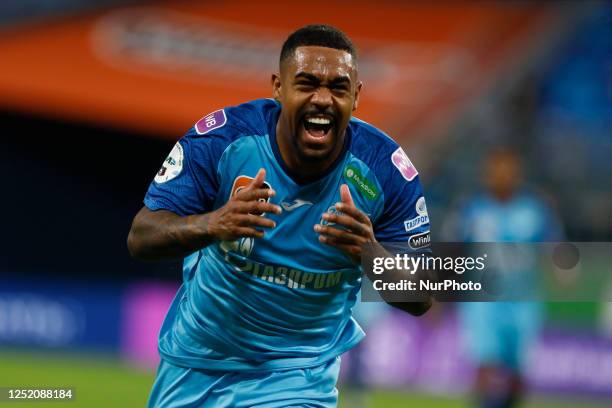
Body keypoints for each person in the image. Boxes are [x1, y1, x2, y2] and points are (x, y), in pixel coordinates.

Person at [128, 24, 431, 407]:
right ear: (278, 87)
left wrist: (369, 250)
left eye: (338, 87)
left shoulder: (386, 171)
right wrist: (214, 223)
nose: (322, 99)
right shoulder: (222, 140)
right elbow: (141, 237)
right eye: (306, 83)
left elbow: (422, 295)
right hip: (196, 363)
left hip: (298, 376)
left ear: (356, 96)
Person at [445, 148, 563, 408]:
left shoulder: (534, 209)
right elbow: (453, 249)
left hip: (523, 301)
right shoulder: (472, 209)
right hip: (482, 301)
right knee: (484, 363)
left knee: (518, 371)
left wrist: (561, 267)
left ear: (517, 174)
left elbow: (554, 245)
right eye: (495, 171)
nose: (501, 176)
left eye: (507, 171)